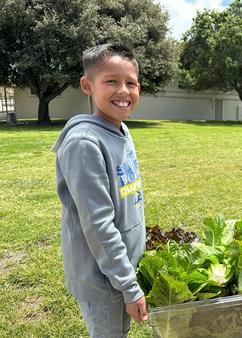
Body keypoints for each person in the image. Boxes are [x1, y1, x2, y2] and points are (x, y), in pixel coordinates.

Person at [53, 43, 148, 337]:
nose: (123, 91)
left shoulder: (120, 129)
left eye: (130, 83)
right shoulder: (84, 143)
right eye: (111, 81)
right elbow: (98, 224)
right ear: (87, 85)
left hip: (121, 272)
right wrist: (130, 288)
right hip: (102, 280)